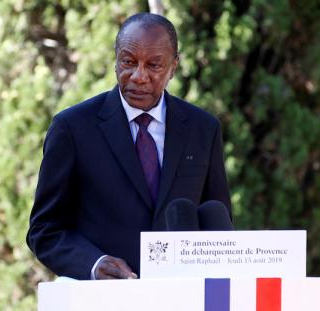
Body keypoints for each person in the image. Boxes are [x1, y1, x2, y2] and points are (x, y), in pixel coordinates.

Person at [26, 12, 231, 280]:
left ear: (174, 67)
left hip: (182, 297)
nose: (138, 76)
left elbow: (219, 222)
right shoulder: (72, 128)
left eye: (154, 65)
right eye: (128, 62)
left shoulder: (203, 129)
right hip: (103, 301)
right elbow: (45, 229)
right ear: (115, 61)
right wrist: (93, 264)